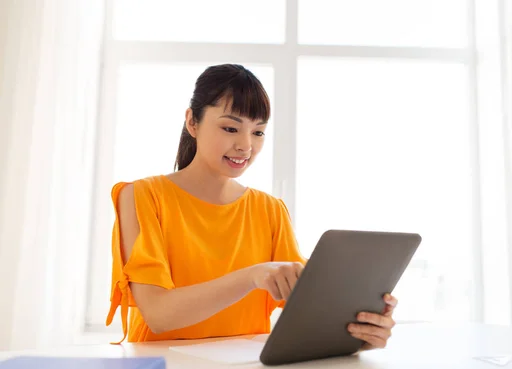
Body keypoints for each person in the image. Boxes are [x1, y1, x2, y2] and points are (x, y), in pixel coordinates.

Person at [105, 64, 398, 349]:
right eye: (231, 128)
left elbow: (308, 310)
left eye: (258, 132)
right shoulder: (142, 196)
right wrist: (251, 276)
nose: (246, 146)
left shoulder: (269, 210)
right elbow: (158, 314)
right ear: (192, 122)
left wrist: (363, 330)